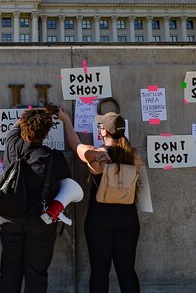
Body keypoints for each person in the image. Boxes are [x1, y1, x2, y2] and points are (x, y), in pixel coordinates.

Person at [0, 106, 71, 293]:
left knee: (9, 271)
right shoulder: (54, 157)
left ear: (23, 126)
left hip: (10, 218)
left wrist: (37, 111)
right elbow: (66, 185)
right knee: (37, 273)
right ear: (46, 133)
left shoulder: (12, 144)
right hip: (40, 222)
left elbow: (15, 127)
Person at [71, 111, 142, 293]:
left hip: (99, 220)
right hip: (128, 219)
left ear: (103, 132)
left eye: (101, 126)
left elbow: (75, 145)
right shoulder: (134, 156)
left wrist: (65, 120)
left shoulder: (96, 156)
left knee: (100, 272)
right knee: (127, 271)